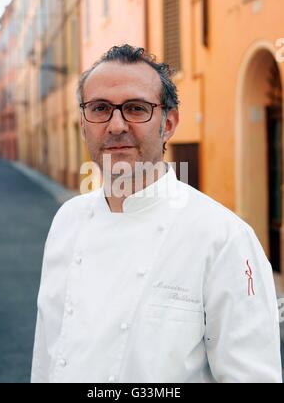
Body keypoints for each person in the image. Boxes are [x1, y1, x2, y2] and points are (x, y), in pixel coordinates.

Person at [31, 44, 282, 383]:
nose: (116, 125)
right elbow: (46, 356)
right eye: (100, 108)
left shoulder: (223, 238)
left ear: (169, 123)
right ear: (82, 123)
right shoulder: (67, 221)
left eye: (136, 109)